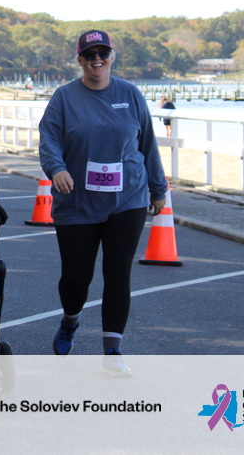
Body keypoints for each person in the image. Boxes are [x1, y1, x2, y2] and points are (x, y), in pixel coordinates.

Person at [39, 30, 167, 376]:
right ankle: (70, 320)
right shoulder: (64, 98)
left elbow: (148, 143)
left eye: (103, 53)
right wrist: (57, 169)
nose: (97, 60)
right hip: (77, 201)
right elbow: (49, 140)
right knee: (76, 278)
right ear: (80, 60)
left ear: (112, 56)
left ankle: (113, 352)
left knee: (118, 272)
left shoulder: (130, 94)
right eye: (90, 55)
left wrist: (158, 189)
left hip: (127, 199)